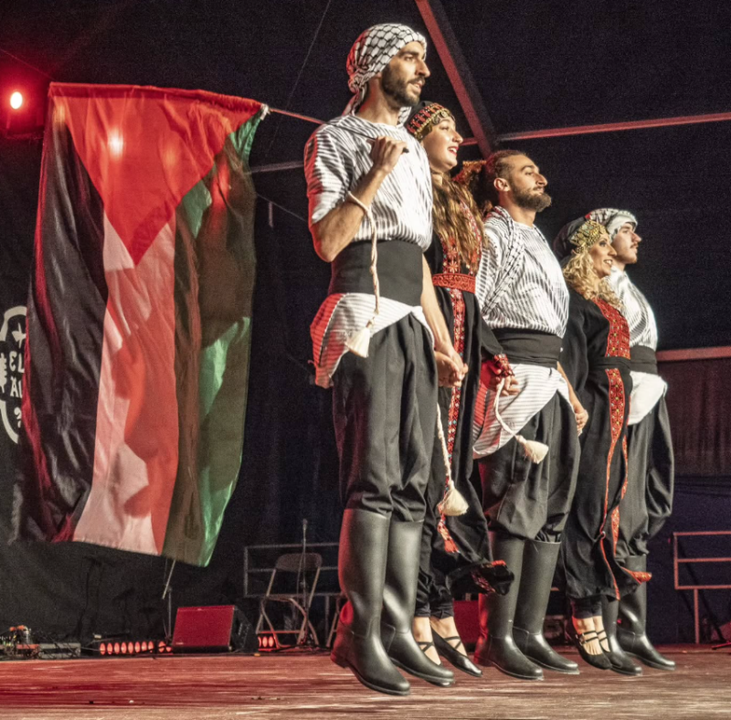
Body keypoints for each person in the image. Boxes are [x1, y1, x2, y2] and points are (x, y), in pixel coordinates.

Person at [304, 24, 466, 696]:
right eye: (409, 56)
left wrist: (442, 339)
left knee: (412, 483)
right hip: (363, 315)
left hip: (409, 322)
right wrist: (373, 171)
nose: (423, 69)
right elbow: (327, 240)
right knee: (373, 478)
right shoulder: (334, 138)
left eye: (425, 59)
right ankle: (358, 629)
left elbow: (418, 258)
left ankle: (397, 626)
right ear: (373, 65)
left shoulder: (414, 153)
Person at [404, 103, 515, 678]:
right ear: (418, 136)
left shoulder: (456, 197)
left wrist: (488, 348)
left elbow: (470, 284)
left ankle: (443, 614)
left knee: (452, 468)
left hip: (464, 321)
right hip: (434, 320)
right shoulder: (412, 185)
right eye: (444, 129)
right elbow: (416, 269)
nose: (457, 137)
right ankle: (422, 614)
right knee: (430, 471)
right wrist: (439, 339)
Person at [467, 151, 581, 680]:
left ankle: (530, 633)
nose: (542, 175)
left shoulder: (535, 239)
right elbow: (473, 303)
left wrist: (567, 389)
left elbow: (550, 327)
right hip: (514, 375)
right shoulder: (493, 232)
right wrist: (493, 359)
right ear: (501, 183)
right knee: (514, 502)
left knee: (552, 505)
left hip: (548, 376)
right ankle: (496, 636)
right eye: (528, 170)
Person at [554, 218, 645, 675]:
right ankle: (584, 617)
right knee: (584, 513)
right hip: (592, 414)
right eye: (602, 246)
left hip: (615, 419)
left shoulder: (604, 300)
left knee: (604, 510)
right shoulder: (573, 302)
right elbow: (571, 364)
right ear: (581, 252)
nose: (611, 252)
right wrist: (577, 413)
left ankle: (600, 622)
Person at [589, 208, 675, 671]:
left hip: (648, 389)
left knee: (644, 504)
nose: (636, 238)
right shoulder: (599, 286)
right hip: (623, 390)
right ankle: (606, 626)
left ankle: (634, 628)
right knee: (617, 506)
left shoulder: (628, 285)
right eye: (625, 231)